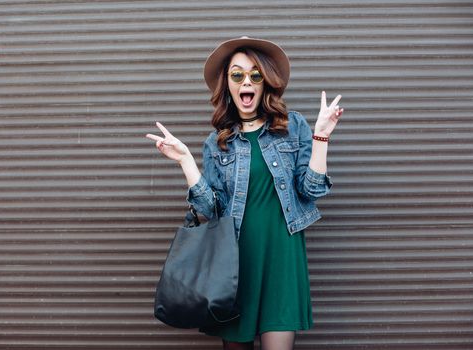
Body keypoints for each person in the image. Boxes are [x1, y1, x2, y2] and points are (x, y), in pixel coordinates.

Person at [146, 36, 343, 350]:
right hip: (235, 261)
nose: (247, 81)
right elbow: (211, 209)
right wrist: (186, 161)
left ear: (265, 83)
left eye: (255, 74)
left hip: (282, 255)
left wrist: (321, 137)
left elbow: (311, 189)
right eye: (237, 75)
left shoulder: (293, 126)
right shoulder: (217, 143)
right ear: (228, 84)